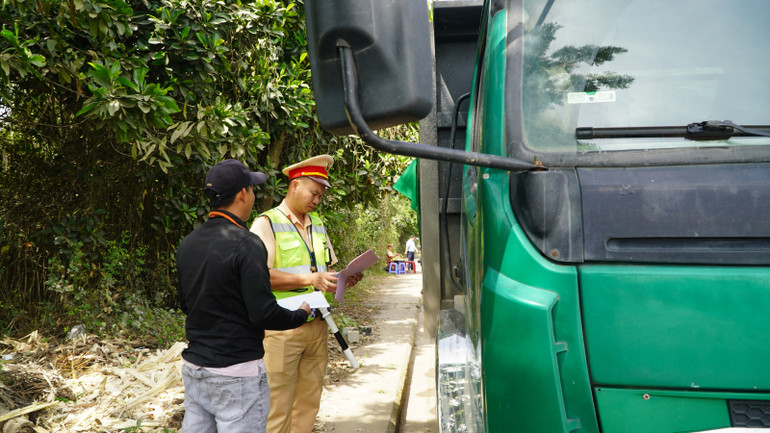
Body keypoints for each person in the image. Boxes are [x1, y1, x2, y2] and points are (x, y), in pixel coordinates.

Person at [176, 159, 312, 433]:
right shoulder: (248, 244)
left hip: (195, 368)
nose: (253, 195)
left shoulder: (188, 243)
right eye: (252, 189)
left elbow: (184, 303)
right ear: (242, 194)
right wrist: (302, 313)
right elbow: (263, 312)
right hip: (237, 372)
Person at [249, 154, 362, 433]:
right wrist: (309, 278)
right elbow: (259, 276)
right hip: (283, 329)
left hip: (318, 325)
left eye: (321, 196)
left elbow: (326, 272)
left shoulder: (319, 225)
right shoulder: (267, 223)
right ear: (294, 185)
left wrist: (346, 279)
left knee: (309, 402)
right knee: (277, 404)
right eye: (313, 193)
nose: (316, 200)